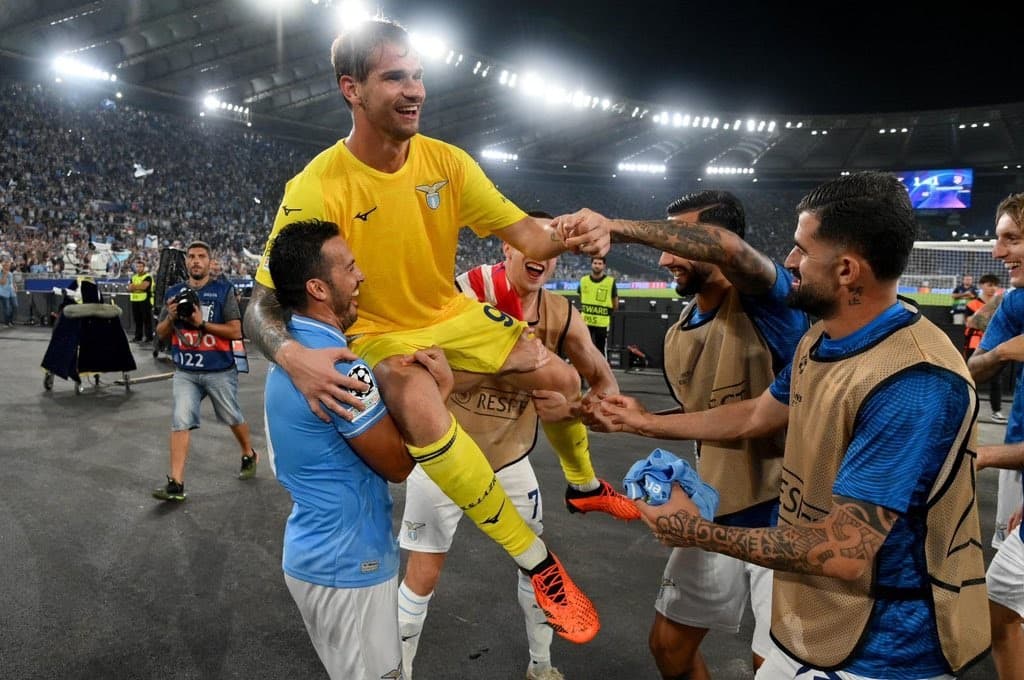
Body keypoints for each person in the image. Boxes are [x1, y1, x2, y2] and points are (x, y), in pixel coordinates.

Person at [244, 18, 621, 644]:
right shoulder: (317, 185)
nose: (414, 89)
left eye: (417, 75)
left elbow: (531, 235)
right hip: (379, 335)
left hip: (448, 313)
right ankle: (539, 562)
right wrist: (292, 358)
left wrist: (585, 228)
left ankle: (583, 485)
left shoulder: (446, 162)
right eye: (395, 77)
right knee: (419, 397)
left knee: (557, 371)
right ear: (352, 89)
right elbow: (260, 302)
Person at [586, 172, 989, 678]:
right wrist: (640, 422)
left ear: (846, 270)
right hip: (823, 616)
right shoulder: (820, 340)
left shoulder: (914, 380)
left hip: (886, 652)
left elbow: (844, 552)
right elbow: (756, 413)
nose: (790, 264)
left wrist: (695, 530)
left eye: (800, 251)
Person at [575, 190, 808, 678]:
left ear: (710, 242)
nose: (664, 256)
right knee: (669, 648)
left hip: (787, 518)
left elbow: (756, 415)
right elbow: (709, 411)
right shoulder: (680, 329)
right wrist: (639, 412)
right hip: (715, 511)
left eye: (679, 241)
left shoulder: (772, 303)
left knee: (776, 668)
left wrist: (613, 226)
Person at [398, 216, 620, 680]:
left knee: (536, 567)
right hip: (445, 458)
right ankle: (397, 673)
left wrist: (575, 411)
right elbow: (414, 377)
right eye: (529, 242)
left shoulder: (560, 313)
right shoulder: (460, 294)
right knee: (423, 576)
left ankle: (541, 666)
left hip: (509, 461)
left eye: (551, 246)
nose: (539, 253)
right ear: (507, 247)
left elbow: (602, 382)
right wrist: (513, 367)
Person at [264, 219, 450, 680]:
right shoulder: (340, 367)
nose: (361, 275)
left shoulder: (296, 353)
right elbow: (398, 465)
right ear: (318, 288)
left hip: (322, 550)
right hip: (347, 562)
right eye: (349, 268)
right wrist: (438, 394)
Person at [965, 192, 1024, 678]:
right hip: (1019, 463)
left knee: (1002, 594)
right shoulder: (1016, 300)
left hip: (1013, 455)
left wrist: (983, 456)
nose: (998, 253)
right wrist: (1004, 354)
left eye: (1012, 239)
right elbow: (975, 368)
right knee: (1005, 594)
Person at [152, 240, 258, 502]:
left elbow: (236, 331)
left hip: (219, 369)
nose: (196, 261)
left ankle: (248, 452)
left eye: (201, 256)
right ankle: (176, 483)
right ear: (186, 261)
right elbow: (161, 334)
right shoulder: (174, 293)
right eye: (191, 256)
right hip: (186, 370)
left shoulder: (224, 290)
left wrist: (202, 324)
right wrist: (171, 318)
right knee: (180, 419)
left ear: (210, 262)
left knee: (231, 416)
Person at [964, 273, 1006, 423]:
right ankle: (966, 409)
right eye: (989, 285)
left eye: (995, 285)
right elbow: (970, 323)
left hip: (995, 344)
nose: (992, 288)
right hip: (975, 344)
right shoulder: (972, 304)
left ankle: (996, 411)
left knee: (996, 380)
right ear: (982, 285)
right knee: (969, 377)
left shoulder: (1003, 304)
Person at [578, 256, 618, 356]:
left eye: (599, 264)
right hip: (585, 322)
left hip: (602, 324)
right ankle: (582, 371)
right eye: (595, 263)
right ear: (591, 264)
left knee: (600, 349)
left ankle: (601, 371)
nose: (597, 266)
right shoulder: (583, 280)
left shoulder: (610, 282)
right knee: (583, 348)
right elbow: (581, 296)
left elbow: (615, 303)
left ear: (604, 266)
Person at [127, 258, 154, 343]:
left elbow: (144, 287)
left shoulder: (148, 277)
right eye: (137, 267)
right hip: (135, 300)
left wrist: (135, 287)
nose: (138, 268)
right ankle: (138, 337)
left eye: (140, 267)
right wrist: (138, 287)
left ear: (144, 267)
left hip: (145, 300)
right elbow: (129, 288)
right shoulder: (133, 277)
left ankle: (149, 337)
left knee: (146, 319)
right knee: (137, 320)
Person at [0, 259, 16, 327]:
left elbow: (12, 282)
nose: (8, 267)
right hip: (3, 293)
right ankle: (7, 322)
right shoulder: (1, 273)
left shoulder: (10, 273)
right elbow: (2, 283)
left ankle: (10, 320)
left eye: (9, 266)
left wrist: (15, 286)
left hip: (11, 292)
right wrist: (5, 274)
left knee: (15, 306)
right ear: (3, 266)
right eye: (6, 266)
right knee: (7, 308)